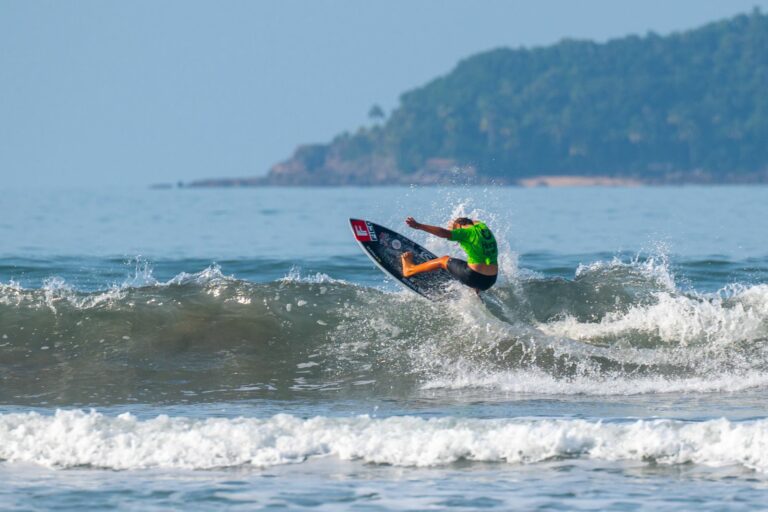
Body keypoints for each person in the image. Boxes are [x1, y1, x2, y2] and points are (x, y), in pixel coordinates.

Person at [401, 216, 498, 291]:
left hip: (473, 277)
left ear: (460, 227)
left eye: (455, 230)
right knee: (475, 260)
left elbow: (443, 233)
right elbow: (473, 221)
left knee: (443, 260)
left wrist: (419, 225)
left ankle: (410, 269)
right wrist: (459, 221)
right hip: (490, 281)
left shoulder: (466, 233)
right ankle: (475, 290)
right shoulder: (483, 227)